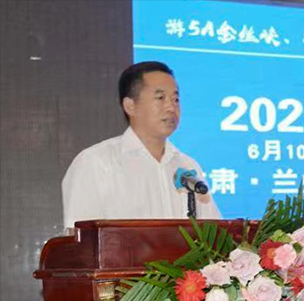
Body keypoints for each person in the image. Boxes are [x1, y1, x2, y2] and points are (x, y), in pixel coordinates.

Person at [62, 61, 221, 230]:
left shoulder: (188, 166)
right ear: (130, 106)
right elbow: (80, 238)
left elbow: (215, 232)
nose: (171, 107)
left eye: (175, 99)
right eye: (160, 98)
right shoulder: (96, 163)